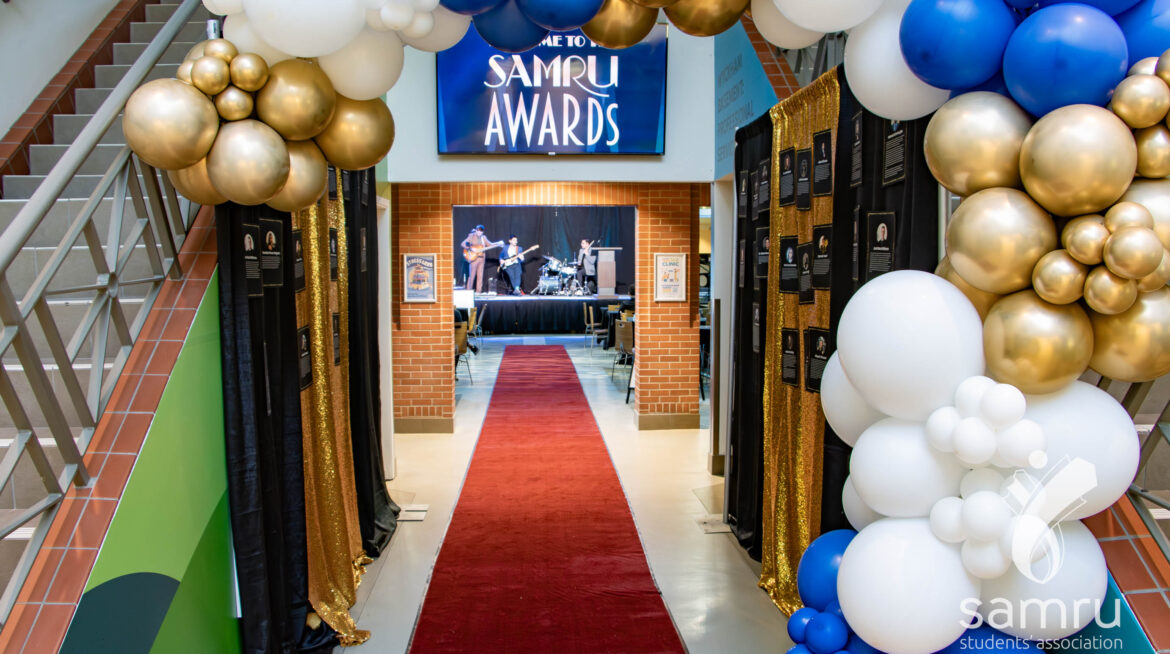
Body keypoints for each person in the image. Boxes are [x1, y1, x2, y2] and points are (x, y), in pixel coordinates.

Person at [461, 225, 495, 293]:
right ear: (476, 230)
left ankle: (478, 292)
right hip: (474, 258)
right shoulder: (471, 236)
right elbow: (463, 244)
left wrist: (498, 244)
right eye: (478, 230)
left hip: (481, 258)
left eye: (481, 230)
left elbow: (490, 244)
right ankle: (468, 291)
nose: (479, 232)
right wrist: (470, 248)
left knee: (480, 276)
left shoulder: (483, 238)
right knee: (472, 275)